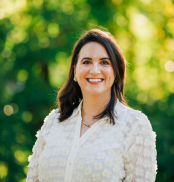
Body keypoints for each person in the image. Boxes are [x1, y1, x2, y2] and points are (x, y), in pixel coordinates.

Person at [26, 29, 157, 182]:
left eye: (104, 62)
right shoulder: (53, 122)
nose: (95, 70)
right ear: (75, 72)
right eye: (87, 62)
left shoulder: (135, 125)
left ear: (116, 72)